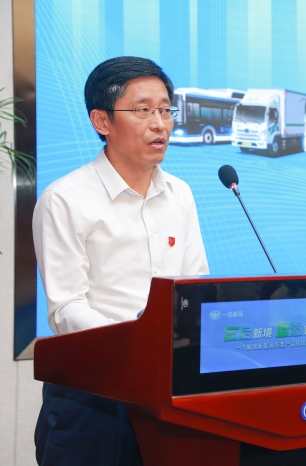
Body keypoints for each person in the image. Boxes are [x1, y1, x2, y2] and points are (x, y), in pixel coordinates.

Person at [33, 56, 209, 465]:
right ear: (102, 121)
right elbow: (66, 308)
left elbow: (194, 283)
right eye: (143, 110)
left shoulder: (180, 194)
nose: (160, 124)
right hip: (91, 394)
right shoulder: (65, 199)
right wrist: (137, 347)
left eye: (165, 110)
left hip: (168, 385)